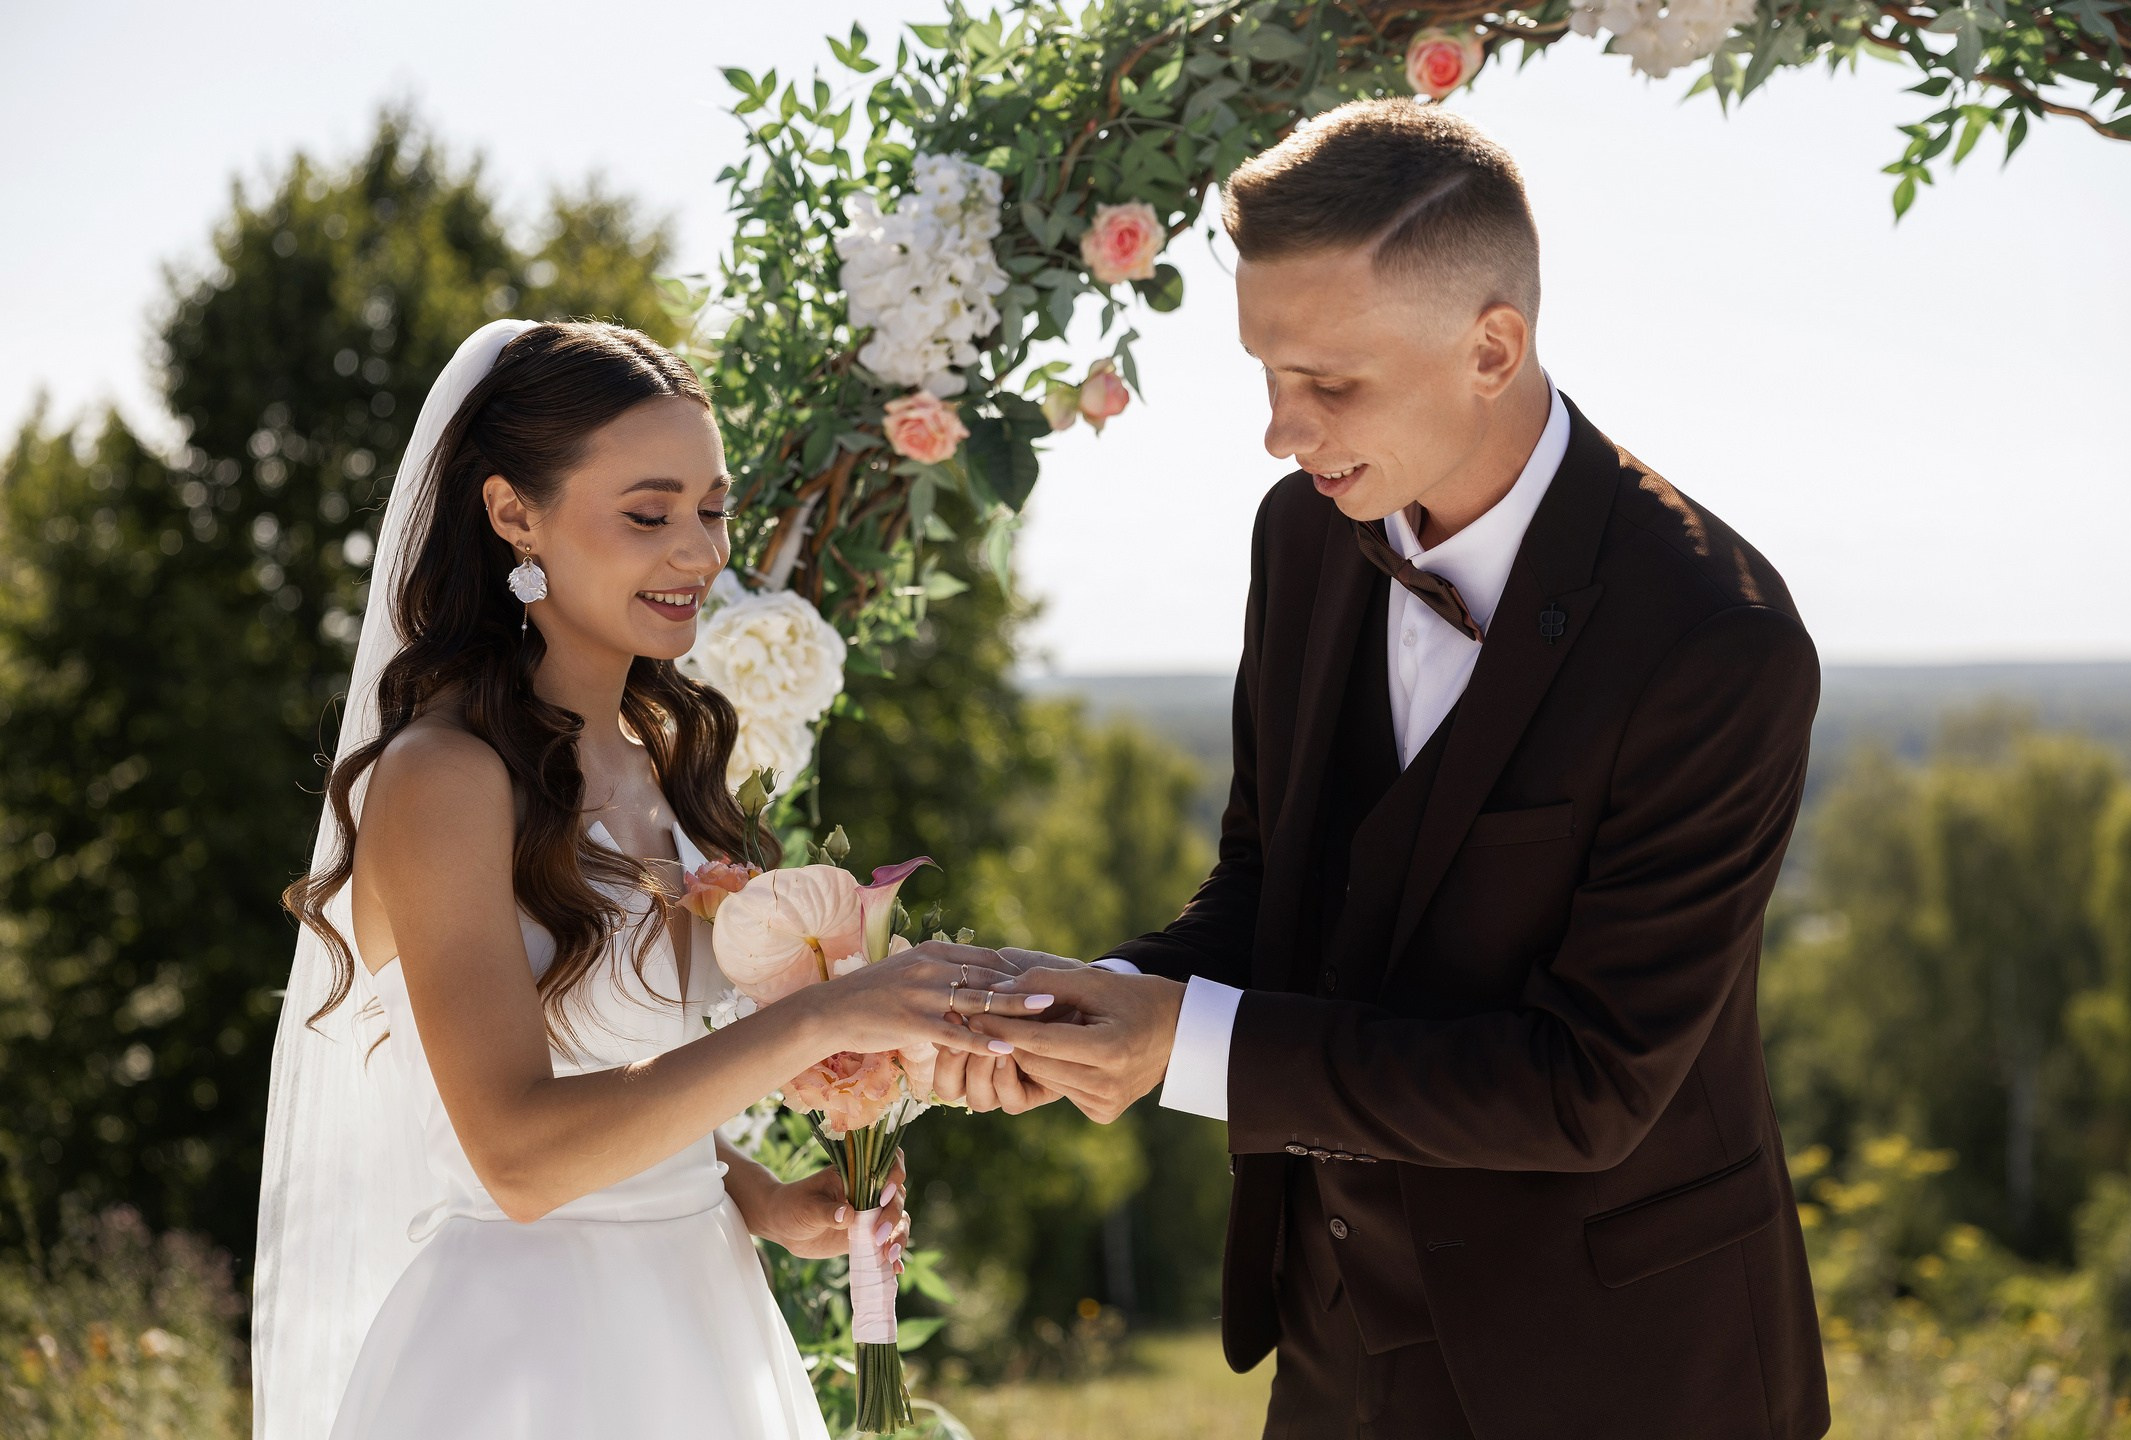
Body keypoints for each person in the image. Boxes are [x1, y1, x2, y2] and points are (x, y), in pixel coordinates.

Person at [934, 100, 1834, 1438]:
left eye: (1330, 386)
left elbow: (1587, 1084)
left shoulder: (1718, 640)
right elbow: (1268, 880)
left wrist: (1183, 1048)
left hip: (1623, 1374)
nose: (1281, 436)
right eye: (1267, 378)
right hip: (1336, 1352)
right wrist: (1104, 1007)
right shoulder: (1303, 538)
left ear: (1491, 347)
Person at [252, 319, 1025, 1440]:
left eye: (712, 510)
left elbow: (614, 1064)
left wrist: (760, 1197)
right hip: (530, 1359)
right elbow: (516, 1156)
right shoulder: (443, 780)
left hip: (702, 1318)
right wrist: (825, 1016)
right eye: (649, 515)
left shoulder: (656, 759)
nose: (701, 553)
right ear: (516, 514)